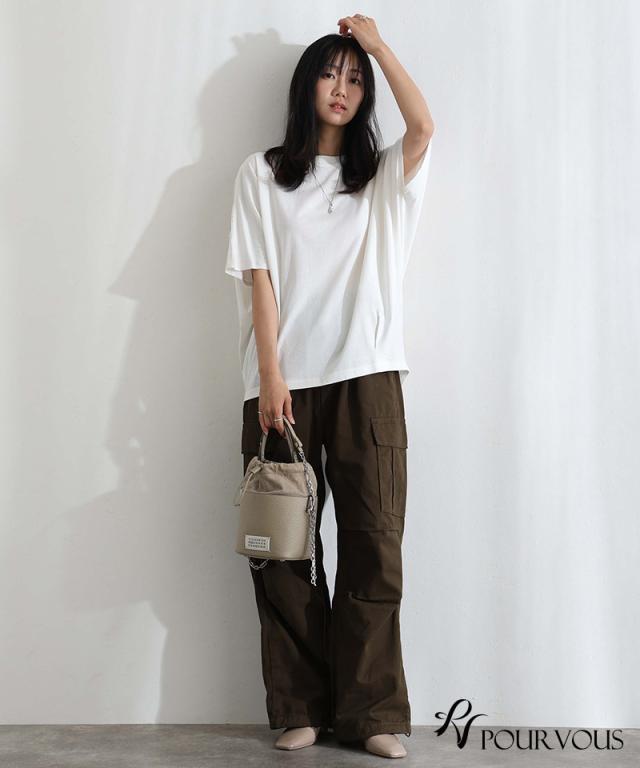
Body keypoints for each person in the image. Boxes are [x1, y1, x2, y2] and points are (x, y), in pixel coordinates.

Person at [225, 13, 434, 760]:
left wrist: (377, 45)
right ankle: (300, 706)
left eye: (354, 79)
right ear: (305, 86)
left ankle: (371, 713)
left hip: (369, 379)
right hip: (281, 386)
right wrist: (270, 376)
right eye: (329, 73)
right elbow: (260, 277)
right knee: (282, 552)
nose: (341, 88)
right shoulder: (261, 173)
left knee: (375, 545)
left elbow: (423, 127)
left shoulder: (380, 179)